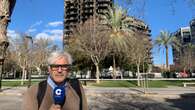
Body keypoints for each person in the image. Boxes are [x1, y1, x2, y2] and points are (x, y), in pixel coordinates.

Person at [22, 51, 88, 110]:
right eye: (55, 66)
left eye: (64, 66)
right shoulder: (34, 91)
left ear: (68, 69)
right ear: (49, 69)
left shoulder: (76, 86)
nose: (59, 70)